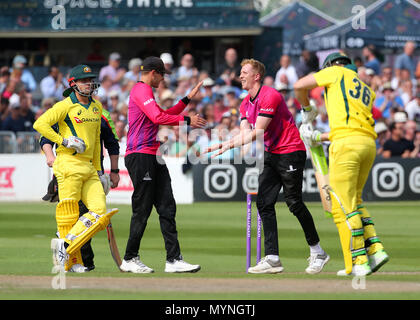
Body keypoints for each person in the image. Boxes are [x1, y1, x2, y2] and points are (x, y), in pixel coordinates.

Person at [206, 58, 329, 275]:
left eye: (244, 72)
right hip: (272, 153)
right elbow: (245, 133)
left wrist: (227, 144)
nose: (240, 76)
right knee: (263, 202)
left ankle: (317, 251)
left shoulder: (270, 95)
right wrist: (230, 143)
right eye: (240, 72)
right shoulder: (245, 104)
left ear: (256, 76)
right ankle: (272, 258)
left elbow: (258, 131)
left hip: (291, 150)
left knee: (294, 203)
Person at [294, 52, 389, 276]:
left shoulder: (335, 73)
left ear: (330, 66)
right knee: (355, 200)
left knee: (343, 205)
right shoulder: (365, 88)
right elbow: (351, 126)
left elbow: (299, 86)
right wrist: (318, 137)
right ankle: (376, 249)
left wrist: (307, 110)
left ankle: (359, 261)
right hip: (367, 144)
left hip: (346, 147)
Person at [120, 56, 206, 273]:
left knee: (167, 206)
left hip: (152, 154)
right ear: (153, 73)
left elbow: (163, 115)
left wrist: (185, 100)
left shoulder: (146, 92)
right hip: (140, 154)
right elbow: (159, 118)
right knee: (143, 208)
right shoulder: (142, 90)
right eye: (162, 75)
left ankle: (173, 260)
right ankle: (130, 258)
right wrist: (187, 120)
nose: (163, 80)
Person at [33, 64, 119, 272]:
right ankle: (73, 262)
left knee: (99, 213)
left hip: (89, 167)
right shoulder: (65, 105)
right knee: (69, 215)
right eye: (84, 81)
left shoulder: (97, 107)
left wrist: (100, 171)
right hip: (68, 164)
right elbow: (40, 124)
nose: (89, 84)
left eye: (90, 80)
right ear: (73, 84)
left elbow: (99, 142)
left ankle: (65, 246)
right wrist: (63, 141)